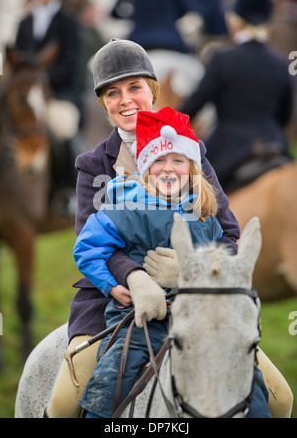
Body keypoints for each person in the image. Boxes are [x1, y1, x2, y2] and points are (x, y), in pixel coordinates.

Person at [44, 38, 291, 418]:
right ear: (103, 103)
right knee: (62, 404)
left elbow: (228, 232)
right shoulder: (92, 165)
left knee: (281, 399)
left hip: (196, 299)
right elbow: (88, 242)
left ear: (152, 90)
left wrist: (191, 270)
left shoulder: (190, 150)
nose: (125, 99)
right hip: (114, 299)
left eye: (134, 87)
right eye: (113, 92)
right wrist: (136, 276)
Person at [73, 106, 271, 418]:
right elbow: (87, 248)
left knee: (257, 393)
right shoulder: (127, 208)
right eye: (159, 161)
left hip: (204, 319)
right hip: (141, 325)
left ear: (192, 167)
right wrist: (117, 285)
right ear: (146, 169)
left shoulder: (204, 214)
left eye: (177, 161)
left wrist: (192, 269)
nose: (168, 169)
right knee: (109, 383)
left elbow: (224, 250)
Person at [180, 0, 294, 191]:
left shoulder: (222, 59)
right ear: (268, 21)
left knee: (193, 195)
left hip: (230, 147)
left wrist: (166, 124)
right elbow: (284, 116)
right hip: (274, 143)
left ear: (235, 19)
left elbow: (194, 105)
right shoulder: (280, 63)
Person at [16, 0, 84, 205]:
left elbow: (72, 64)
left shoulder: (69, 22)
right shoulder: (23, 24)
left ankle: (68, 190)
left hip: (61, 94)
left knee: (62, 127)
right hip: (27, 97)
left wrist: (41, 80)